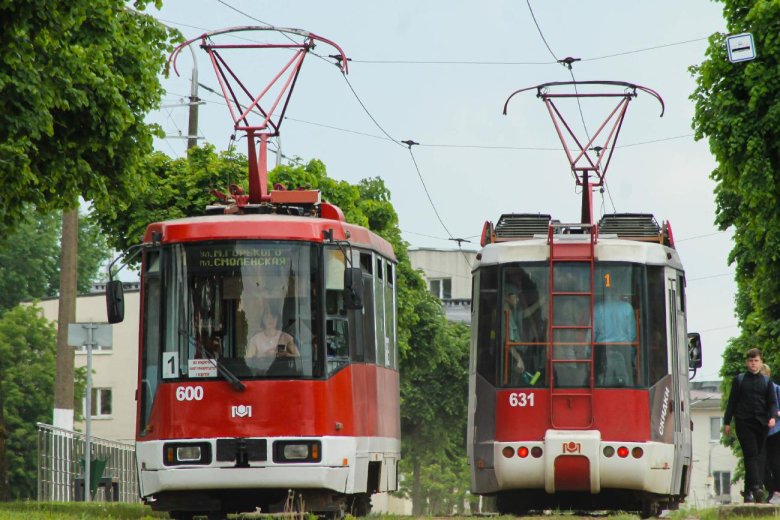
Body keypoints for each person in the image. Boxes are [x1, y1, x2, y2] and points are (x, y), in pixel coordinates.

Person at [723, 348, 778, 503]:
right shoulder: (739, 380)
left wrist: (773, 417)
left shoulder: (767, 382)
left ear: (761, 362)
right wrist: (727, 422)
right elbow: (732, 402)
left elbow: (772, 403)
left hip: (762, 424)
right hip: (743, 422)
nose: (753, 364)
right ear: (746, 362)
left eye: (756, 361)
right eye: (750, 361)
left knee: (756, 457)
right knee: (752, 453)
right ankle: (756, 488)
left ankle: (748, 492)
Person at [504, 283, 543, 386]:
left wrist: (540, 303)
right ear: (508, 296)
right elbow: (508, 342)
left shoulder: (513, 311)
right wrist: (519, 359)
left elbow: (525, 313)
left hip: (516, 354)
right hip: (511, 356)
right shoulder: (505, 313)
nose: (518, 300)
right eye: (516, 296)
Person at [246, 308, 299, 373]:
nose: (270, 320)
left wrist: (286, 354)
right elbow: (248, 360)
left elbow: (298, 357)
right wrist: (264, 355)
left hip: (283, 374)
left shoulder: (285, 337)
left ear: (278, 319)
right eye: (267, 317)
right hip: (261, 374)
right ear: (263, 319)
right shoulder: (255, 339)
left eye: (273, 317)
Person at [763, 363, 780, 504]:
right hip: (761, 431)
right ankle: (771, 490)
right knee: (762, 463)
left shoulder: (776, 389)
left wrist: (775, 414)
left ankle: (777, 491)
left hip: (776, 430)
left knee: (775, 462)